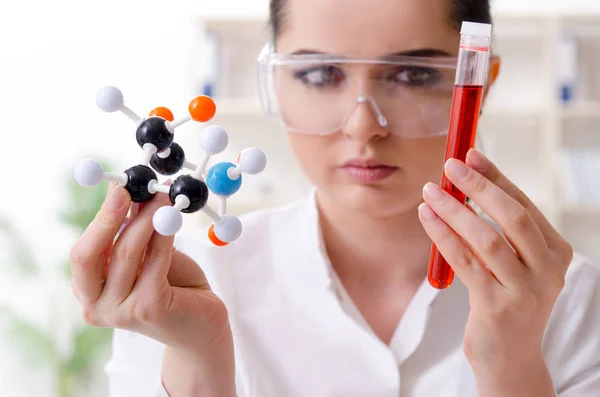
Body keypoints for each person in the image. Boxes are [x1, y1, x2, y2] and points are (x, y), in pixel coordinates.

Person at [69, 0, 600, 396]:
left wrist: (512, 370)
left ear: (478, 85)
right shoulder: (178, 291)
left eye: (413, 74)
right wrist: (198, 357)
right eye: (320, 74)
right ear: (275, 84)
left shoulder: (570, 299)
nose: (363, 126)